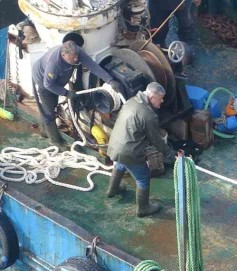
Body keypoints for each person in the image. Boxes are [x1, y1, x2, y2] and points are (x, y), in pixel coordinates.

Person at [106, 82, 173, 217]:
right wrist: (170, 154)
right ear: (152, 97)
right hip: (129, 152)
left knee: (120, 164)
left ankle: (112, 190)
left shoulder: (131, 101)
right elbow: (156, 140)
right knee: (143, 178)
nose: (162, 101)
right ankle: (143, 208)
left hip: (114, 146)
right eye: (160, 98)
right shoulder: (149, 115)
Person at [32, 40, 117, 146]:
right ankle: (55, 141)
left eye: (77, 56)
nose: (76, 59)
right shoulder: (54, 64)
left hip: (56, 81)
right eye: (73, 58)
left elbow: (93, 66)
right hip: (43, 81)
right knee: (49, 111)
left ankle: (44, 130)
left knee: (52, 105)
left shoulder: (77, 52)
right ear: (63, 55)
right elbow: (48, 84)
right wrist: (66, 93)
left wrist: (110, 80)